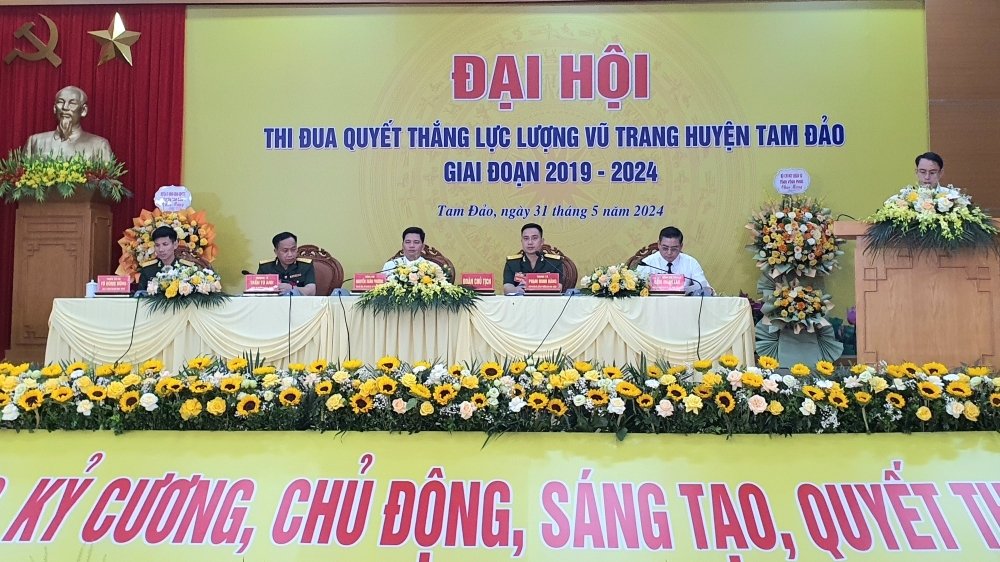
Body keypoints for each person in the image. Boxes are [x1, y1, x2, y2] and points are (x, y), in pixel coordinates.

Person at [24, 86, 113, 160]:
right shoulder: (35, 141)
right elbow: (21, 174)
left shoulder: (99, 145)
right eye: (60, 102)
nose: (65, 107)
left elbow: (106, 176)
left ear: (83, 110)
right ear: (54, 108)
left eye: (72, 103)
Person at [636, 226, 713, 295]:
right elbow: (637, 292)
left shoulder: (690, 263)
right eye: (665, 248)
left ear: (681, 246)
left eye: (674, 249)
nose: (669, 252)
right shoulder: (646, 263)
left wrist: (707, 290)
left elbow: (703, 286)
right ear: (659, 244)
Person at [502, 223, 564, 294]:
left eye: (534, 238)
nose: (530, 242)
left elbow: (559, 287)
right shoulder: (512, 263)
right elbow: (507, 287)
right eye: (526, 238)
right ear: (522, 241)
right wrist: (516, 290)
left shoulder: (554, 263)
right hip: (521, 300)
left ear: (542, 241)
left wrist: (532, 286)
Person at [137, 226, 194, 291]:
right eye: (157, 245)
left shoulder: (187, 268)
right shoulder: (148, 270)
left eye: (165, 244)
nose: (161, 249)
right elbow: (140, 294)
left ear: (175, 244)